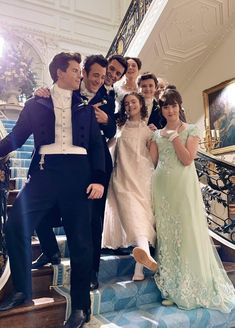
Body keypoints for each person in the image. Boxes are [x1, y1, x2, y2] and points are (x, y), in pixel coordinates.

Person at [0, 52, 106, 328]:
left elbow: (96, 146)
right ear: (59, 72)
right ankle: (23, 291)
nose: (79, 75)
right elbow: (15, 138)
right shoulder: (37, 104)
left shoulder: (85, 108)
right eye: (74, 70)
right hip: (46, 173)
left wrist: (98, 179)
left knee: (81, 243)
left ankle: (81, 307)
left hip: (79, 176)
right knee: (15, 226)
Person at [133, 88, 235, 312]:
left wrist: (176, 137)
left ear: (179, 106)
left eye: (173, 106)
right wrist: (145, 139)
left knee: (186, 233)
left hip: (183, 187)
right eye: (166, 107)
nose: (170, 110)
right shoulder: (157, 135)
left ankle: (191, 286)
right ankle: (171, 288)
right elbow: (151, 162)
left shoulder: (191, 130)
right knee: (168, 236)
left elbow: (188, 160)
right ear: (162, 109)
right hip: (162, 187)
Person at [32, 54, 128, 292]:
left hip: (96, 165)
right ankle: (50, 249)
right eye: (96, 75)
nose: (100, 80)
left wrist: (107, 121)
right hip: (60, 163)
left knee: (93, 221)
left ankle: (91, 272)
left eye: (104, 77)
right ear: (83, 72)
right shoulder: (69, 87)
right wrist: (41, 91)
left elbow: (112, 130)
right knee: (40, 208)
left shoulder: (108, 98)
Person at [102, 92, 156, 281]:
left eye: (134, 101)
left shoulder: (149, 131)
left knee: (140, 218)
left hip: (142, 179)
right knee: (132, 218)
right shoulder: (119, 127)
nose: (130, 105)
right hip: (122, 178)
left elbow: (153, 159)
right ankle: (145, 257)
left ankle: (139, 269)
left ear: (141, 104)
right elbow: (108, 147)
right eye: (126, 103)